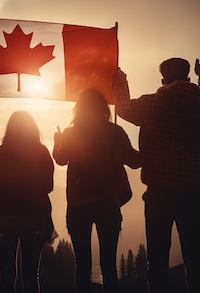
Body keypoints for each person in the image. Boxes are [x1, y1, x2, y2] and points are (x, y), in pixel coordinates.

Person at [113, 58, 200, 293]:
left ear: (163, 80)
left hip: (159, 196)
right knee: (194, 262)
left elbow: (121, 106)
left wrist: (121, 82)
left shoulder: (150, 105)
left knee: (157, 263)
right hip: (192, 195)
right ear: (188, 78)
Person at [53, 88, 140, 293]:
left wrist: (57, 142)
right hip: (108, 204)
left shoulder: (71, 133)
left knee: (82, 266)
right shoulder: (114, 132)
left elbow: (60, 159)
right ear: (102, 107)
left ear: (79, 108)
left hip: (78, 206)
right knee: (109, 266)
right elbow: (133, 161)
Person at [0, 110, 55, 293]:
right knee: (31, 275)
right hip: (34, 218)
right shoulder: (41, 152)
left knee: (6, 276)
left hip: (4, 217)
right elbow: (48, 186)